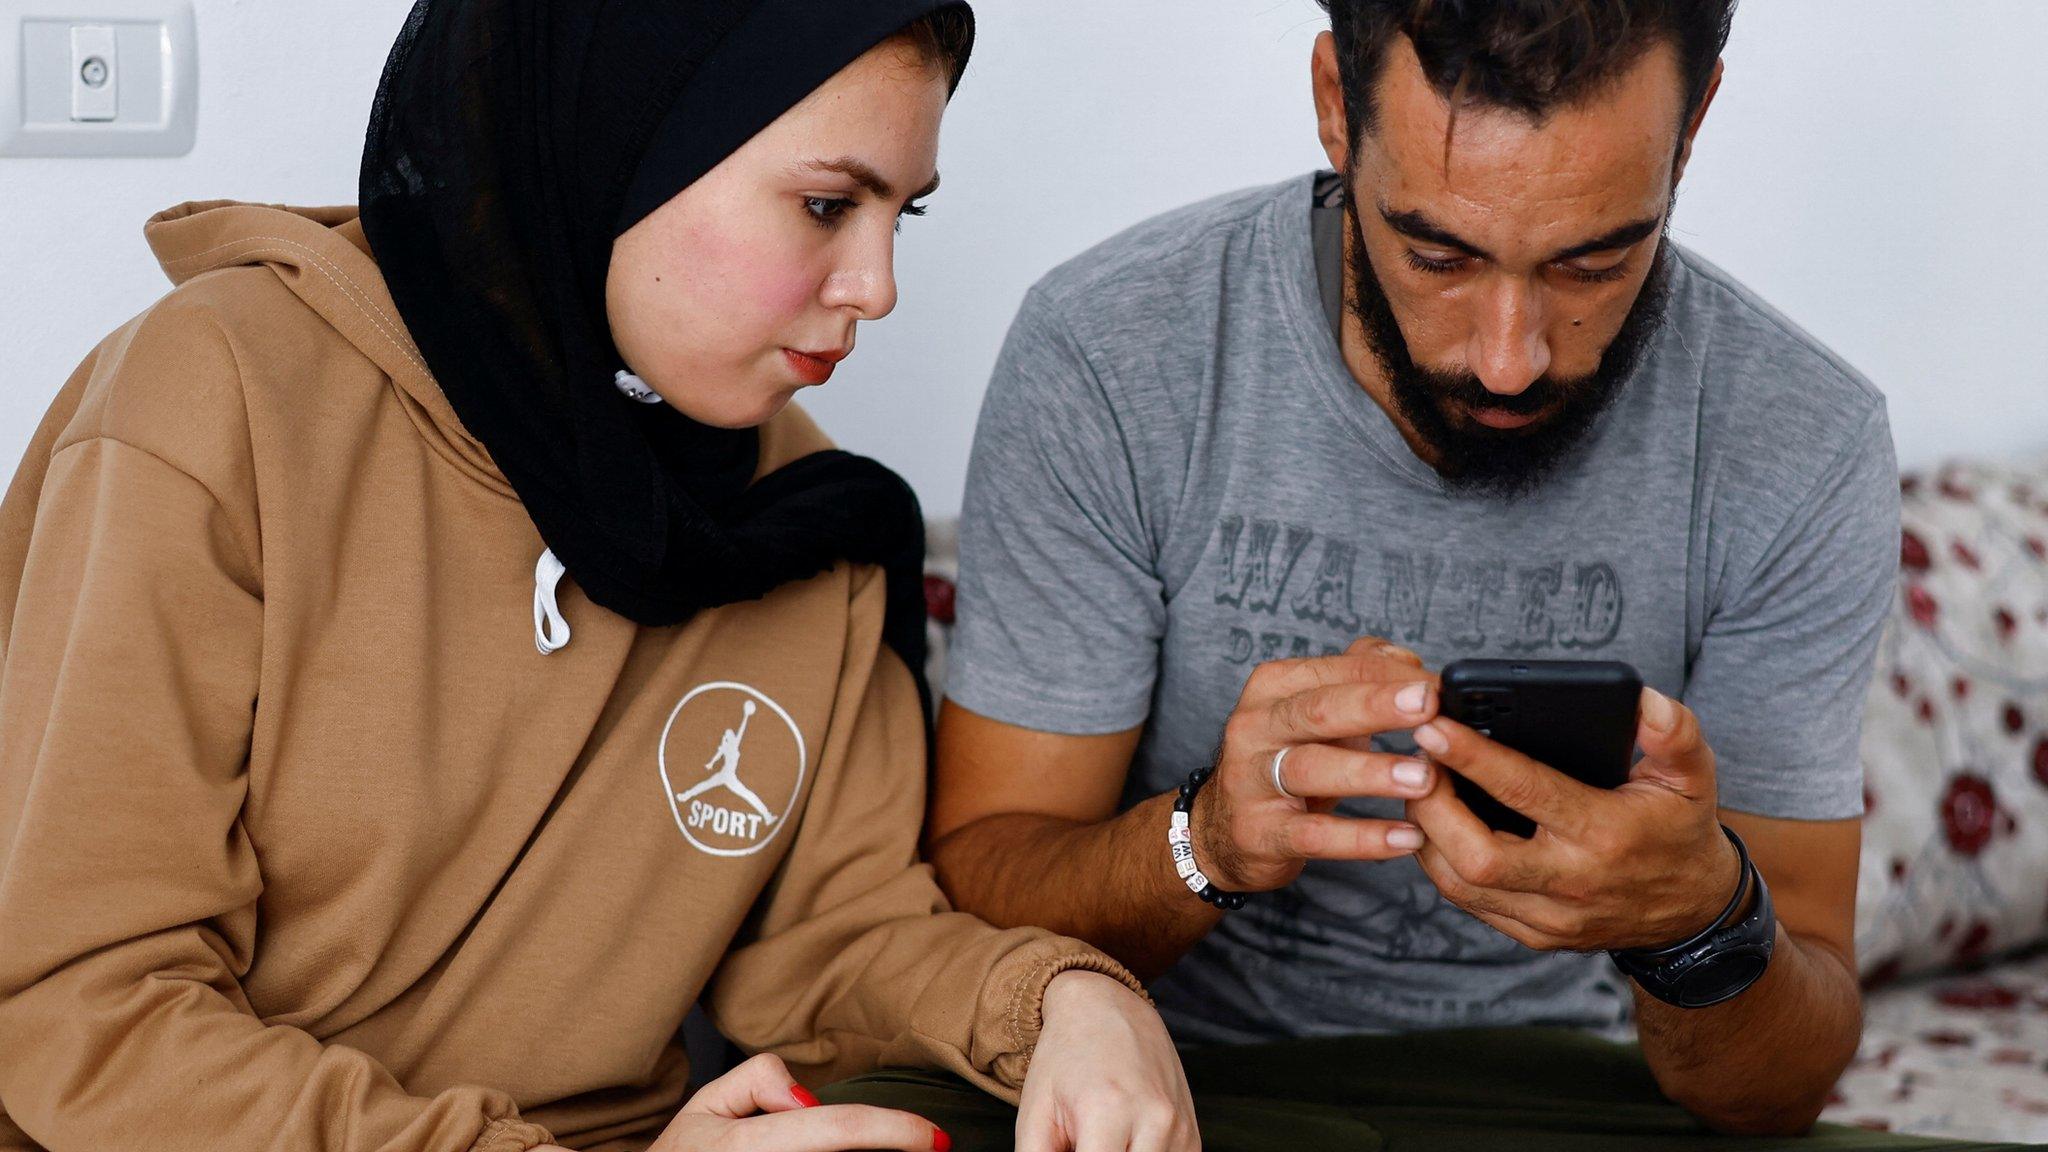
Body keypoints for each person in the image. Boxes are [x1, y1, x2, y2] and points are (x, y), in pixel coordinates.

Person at [0, 3, 1196, 1150]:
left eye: (902, 217)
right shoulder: (223, 401)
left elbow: (836, 942)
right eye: (827, 204)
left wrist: (1069, 1004)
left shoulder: (803, 524)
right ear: (614, 142)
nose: (875, 288)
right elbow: (82, 1006)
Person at [871, 0, 2034, 1147]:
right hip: (1162, 1080)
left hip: (1565, 1091)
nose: (1508, 356)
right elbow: (978, 892)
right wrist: (1205, 842)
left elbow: (1775, 1092)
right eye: (1437, 253)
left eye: (1593, 262)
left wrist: (1699, 923)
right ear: (1334, 103)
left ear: (1692, 129)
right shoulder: (1114, 351)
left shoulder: (1798, 440)